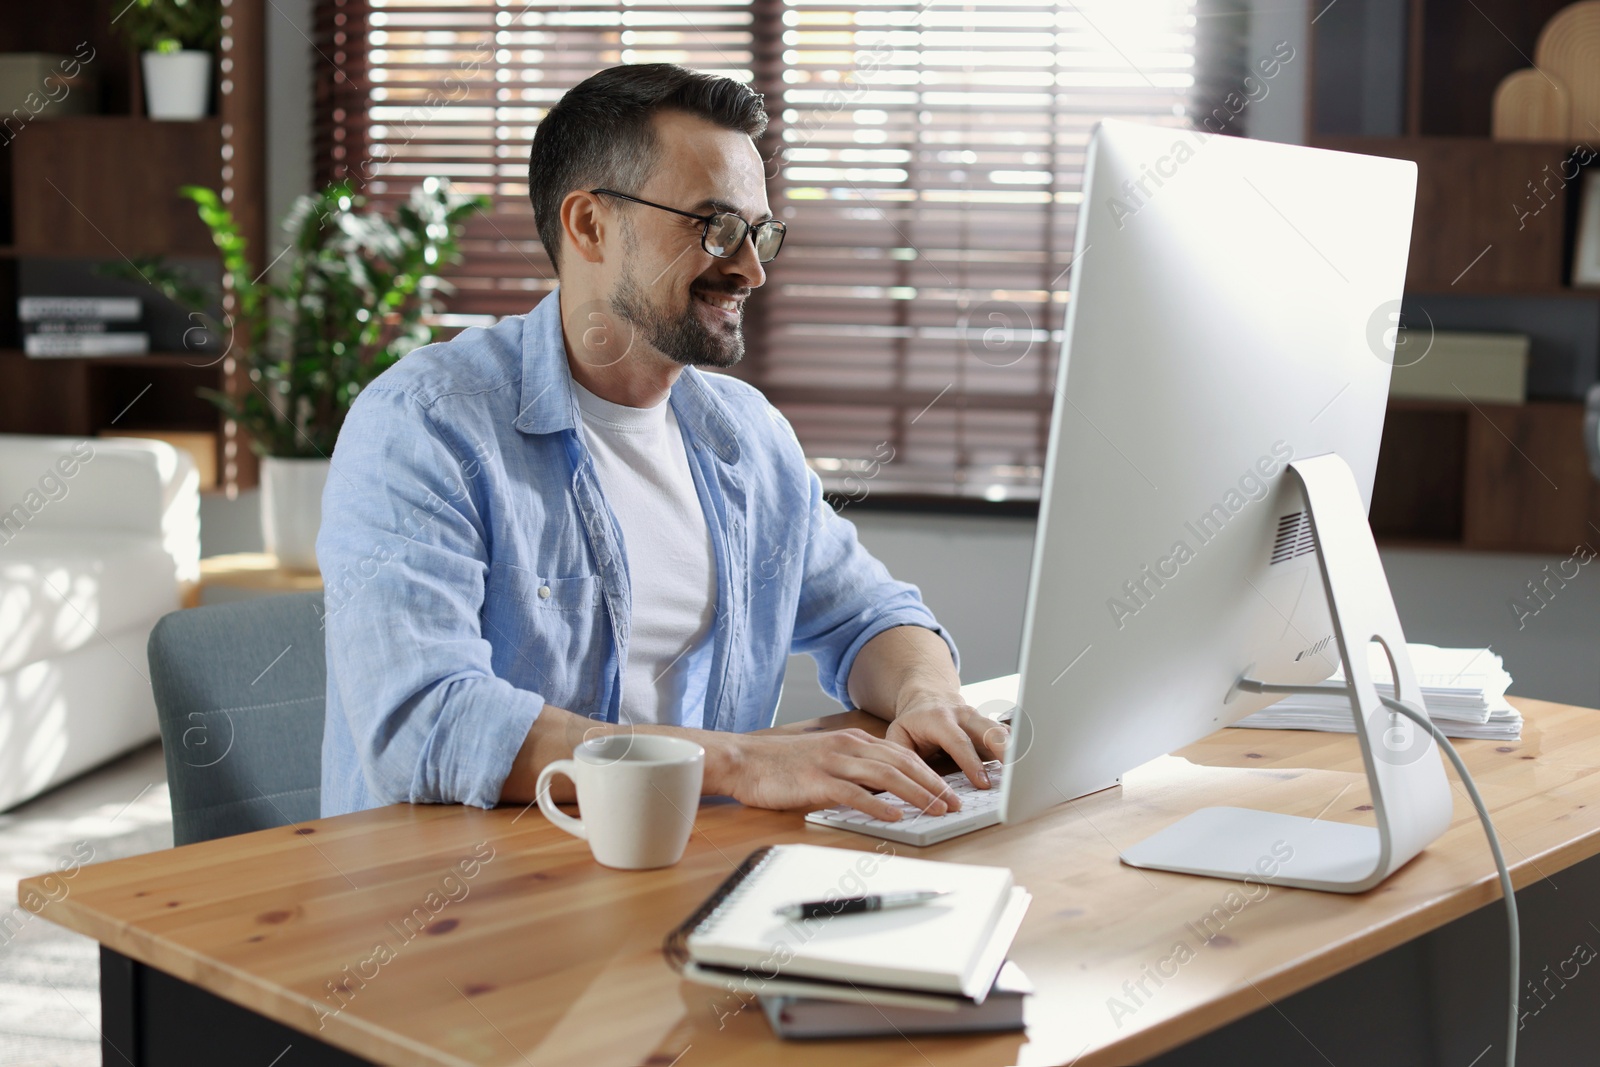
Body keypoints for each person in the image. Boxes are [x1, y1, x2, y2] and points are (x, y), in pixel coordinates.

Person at [317, 63, 1006, 821]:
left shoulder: (748, 435)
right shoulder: (425, 424)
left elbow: (871, 617)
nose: (749, 269)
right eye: (714, 227)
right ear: (589, 225)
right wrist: (741, 762)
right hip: (468, 901)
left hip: (692, 873)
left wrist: (927, 695)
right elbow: (422, 722)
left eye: (760, 233)